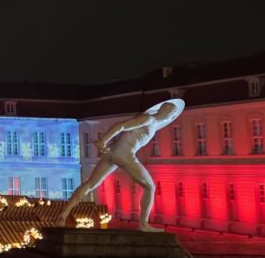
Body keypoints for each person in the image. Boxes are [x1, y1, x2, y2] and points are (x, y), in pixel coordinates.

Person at [59, 99, 184, 231]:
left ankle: (63, 214)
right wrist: (103, 139)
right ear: (162, 109)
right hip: (124, 153)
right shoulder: (148, 119)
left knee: (91, 184)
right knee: (150, 187)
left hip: (112, 152)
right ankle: (143, 224)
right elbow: (121, 126)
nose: (171, 115)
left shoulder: (152, 123)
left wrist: (105, 142)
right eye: (171, 111)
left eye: (173, 113)